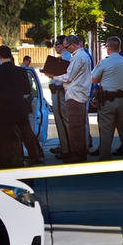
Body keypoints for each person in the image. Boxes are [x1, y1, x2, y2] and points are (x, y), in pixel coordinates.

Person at [45, 35, 92, 164]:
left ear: (72, 45)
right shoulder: (83, 56)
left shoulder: (78, 57)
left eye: (66, 46)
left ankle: (77, 154)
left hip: (74, 96)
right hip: (80, 95)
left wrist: (53, 76)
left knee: (75, 127)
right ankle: (81, 152)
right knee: (79, 127)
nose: (66, 49)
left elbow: (68, 77)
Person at [0, 46, 31, 168]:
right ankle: (24, 159)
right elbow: (27, 89)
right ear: (11, 55)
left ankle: (6, 163)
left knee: (4, 139)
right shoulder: (21, 71)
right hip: (18, 109)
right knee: (22, 135)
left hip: (0, 111)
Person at [91, 36, 123, 161]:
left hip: (108, 100)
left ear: (108, 48)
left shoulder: (105, 62)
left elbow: (93, 79)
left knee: (106, 130)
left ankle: (105, 158)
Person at [49, 36, 71, 158]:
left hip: (60, 92)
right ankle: (65, 147)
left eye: (57, 44)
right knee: (61, 121)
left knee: (63, 120)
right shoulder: (63, 57)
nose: (55, 47)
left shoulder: (66, 57)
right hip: (57, 91)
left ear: (63, 45)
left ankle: (68, 149)